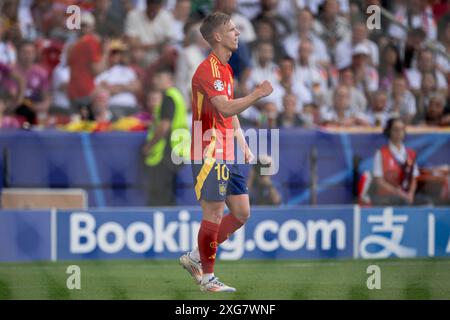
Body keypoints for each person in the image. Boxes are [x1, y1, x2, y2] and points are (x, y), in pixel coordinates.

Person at [179, 12, 273, 293]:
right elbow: (225, 107)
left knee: (242, 212)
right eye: (232, 29)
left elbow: (229, 115)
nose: (238, 33)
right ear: (217, 37)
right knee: (215, 213)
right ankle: (208, 278)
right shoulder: (208, 70)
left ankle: (195, 256)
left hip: (227, 150)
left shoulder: (226, 70)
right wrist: (257, 94)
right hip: (208, 149)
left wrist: (242, 143)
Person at [141, 68, 189, 206]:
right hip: (178, 150)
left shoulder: (168, 97)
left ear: (170, 80)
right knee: (168, 194)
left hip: (168, 151)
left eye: (159, 78)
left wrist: (149, 146)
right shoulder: (178, 96)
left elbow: (164, 126)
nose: (156, 81)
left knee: (159, 195)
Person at [371, 117, 420, 206]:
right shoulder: (381, 153)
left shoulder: (411, 154)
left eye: (401, 129)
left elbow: (414, 178)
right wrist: (397, 192)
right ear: (389, 131)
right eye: (395, 129)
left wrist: (411, 194)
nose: (399, 132)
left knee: (426, 201)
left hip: (407, 195)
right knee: (401, 201)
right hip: (387, 196)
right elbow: (378, 181)